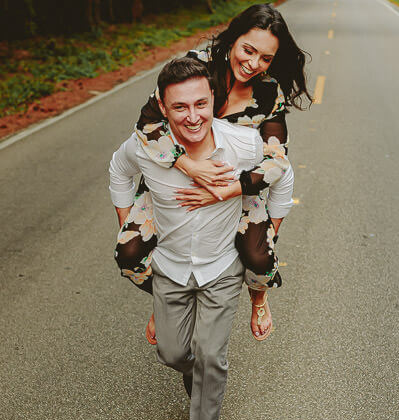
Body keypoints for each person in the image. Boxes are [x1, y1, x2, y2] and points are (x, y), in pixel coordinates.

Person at [109, 57, 294, 420]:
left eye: (200, 104)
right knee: (172, 353)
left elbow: (282, 174)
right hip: (170, 268)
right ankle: (200, 379)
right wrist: (126, 222)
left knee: (212, 355)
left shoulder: (242, 144)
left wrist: (269, 229)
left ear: (213, 99)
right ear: (162, 106)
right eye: (179, 107)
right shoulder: (145, 148)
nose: (192, 117)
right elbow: (118, 171)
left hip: (221, 268)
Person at [114, 3, 310, 343]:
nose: (253, 64)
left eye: (266, 58)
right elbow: (147, 124)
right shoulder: (196, 67)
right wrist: (188, 165)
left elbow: (277, 160)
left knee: (260, 260)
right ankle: (169, 299)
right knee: (129, 256)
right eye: (248, 50)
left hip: (235, 187)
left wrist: (228, 190)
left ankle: (258, 297)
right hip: (174, 178)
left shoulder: (269, 93)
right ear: (233, 39)